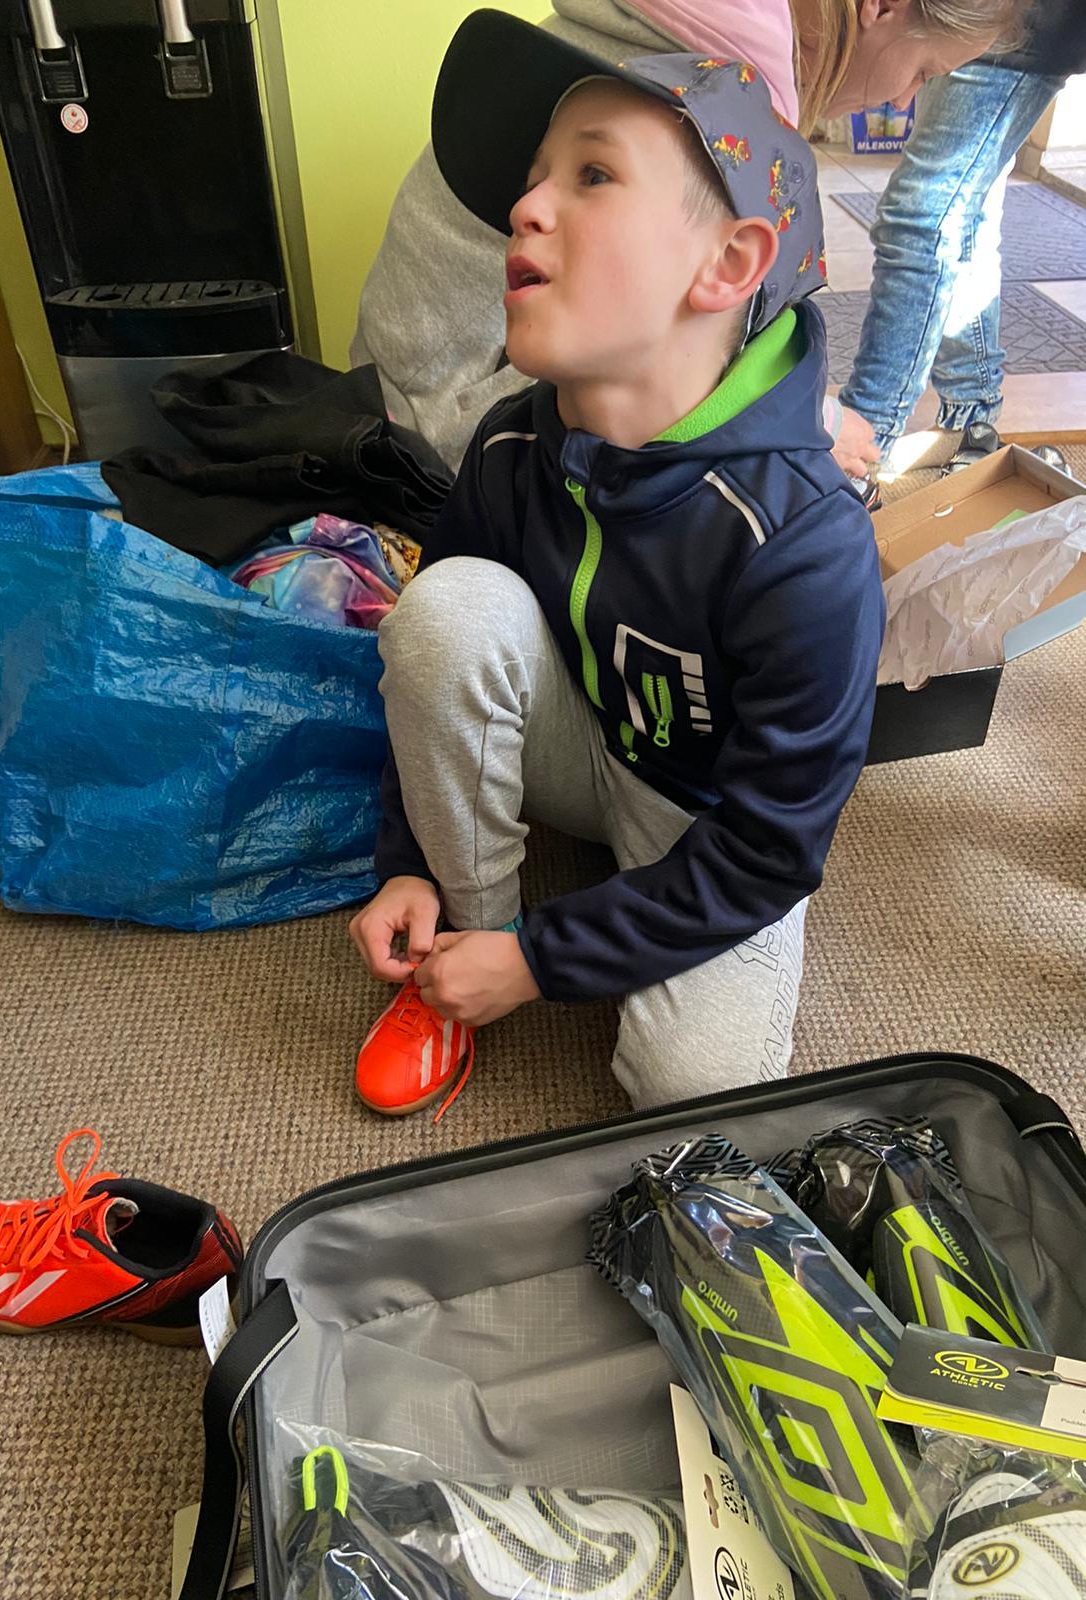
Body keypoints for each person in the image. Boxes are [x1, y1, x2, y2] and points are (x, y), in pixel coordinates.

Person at [348, 9, 885, 1120]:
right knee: (446, 609)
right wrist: (413, 866)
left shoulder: (807, 547)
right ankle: (468, 930)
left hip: (706, 815)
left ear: (729, 264)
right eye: (536, 176)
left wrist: (550, 960)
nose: (525, 207)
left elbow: (770, 848)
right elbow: (433, 665)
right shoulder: (509, 440)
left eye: (593, 175)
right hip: (578, 737)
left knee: (694, 1091)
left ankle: (522, 948)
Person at [351, 0, 1020, 475]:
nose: (904, 103)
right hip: (437, 442)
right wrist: (810, 429)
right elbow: (656, 364)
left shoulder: (659, 26)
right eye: (924, 72)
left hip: (389, 385)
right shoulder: (698, 101)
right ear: (881, 6)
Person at [836, 0, 1086, 477]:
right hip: (990, 25)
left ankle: (860, 450)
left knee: (920, 216)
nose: (902, 101)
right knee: (963, 215)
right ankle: (971, 419)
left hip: (1016, 28)